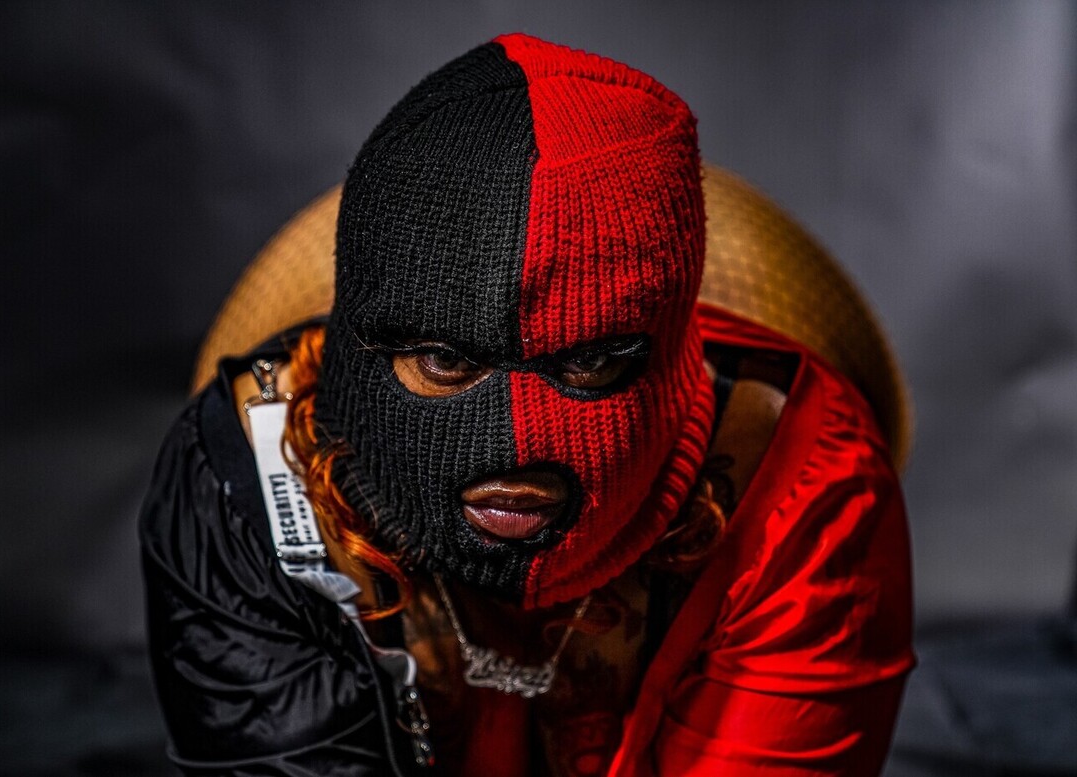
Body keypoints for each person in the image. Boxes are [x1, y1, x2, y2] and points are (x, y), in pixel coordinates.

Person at [141, 33, 914, 776]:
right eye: (445, 359)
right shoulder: (249, 474)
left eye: (591, 360)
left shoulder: (805, 490)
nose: (517, 447)